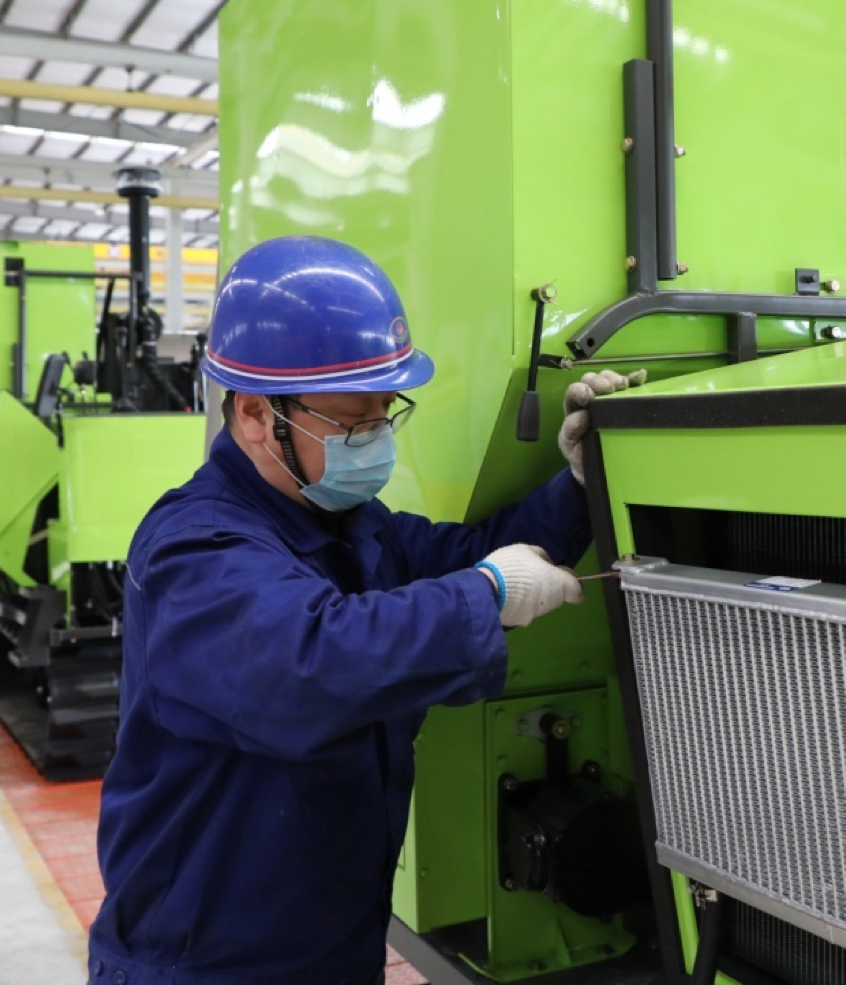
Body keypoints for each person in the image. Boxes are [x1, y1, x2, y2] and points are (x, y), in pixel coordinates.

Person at [87, 237, 643, 985]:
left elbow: (475, 551)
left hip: (332, 943)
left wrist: (576, 481)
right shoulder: (196, 549)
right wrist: (485, 593)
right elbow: (309, 665)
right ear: (254, 414)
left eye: (387, 411)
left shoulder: (350, 524)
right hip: (204, 961)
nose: (377, 436)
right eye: (355, 420)